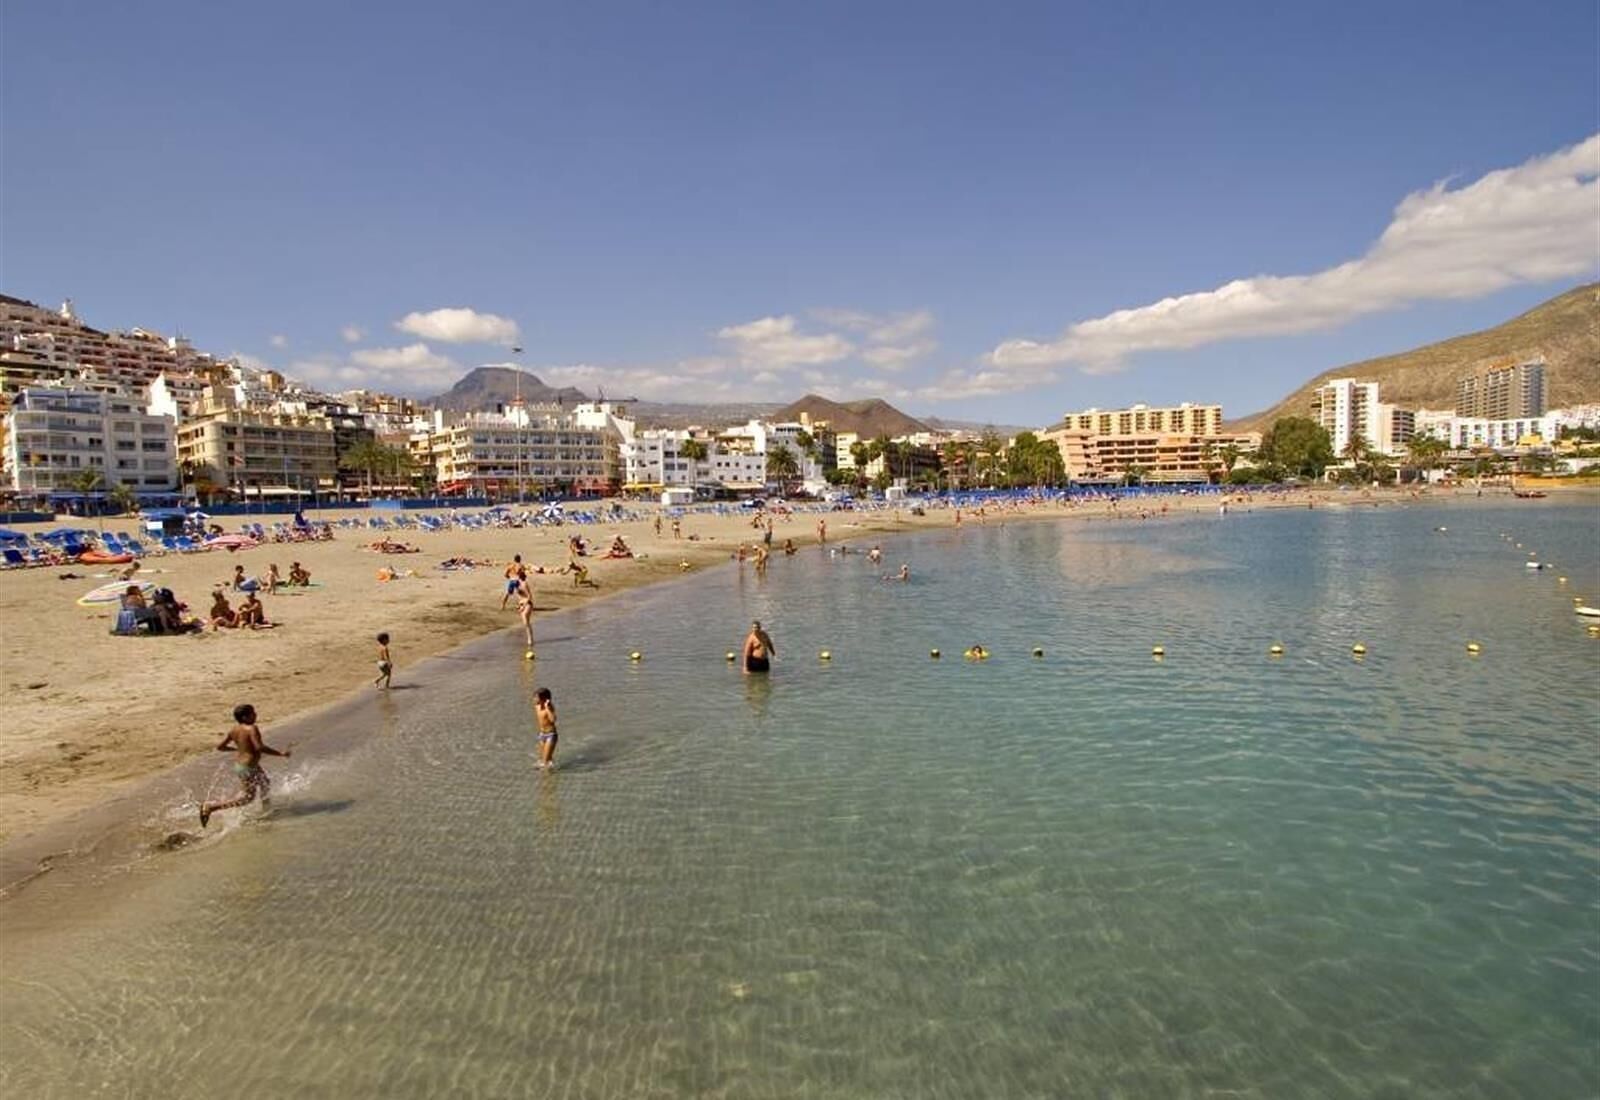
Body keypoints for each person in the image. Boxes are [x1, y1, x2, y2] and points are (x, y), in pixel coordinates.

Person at [199, 703, 290, 827]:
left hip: (243, 765)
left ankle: (267, 809)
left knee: (265, 783)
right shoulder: (252, 728)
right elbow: (259, 747)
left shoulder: (234, 730)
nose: (255, 715)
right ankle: (211, 807)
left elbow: (221, 747)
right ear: (244, 717)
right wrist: (281, 753)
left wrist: (240, 749)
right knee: (247, 798)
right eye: (252, 713)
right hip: (248, 767)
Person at [535, 687, 558, 770]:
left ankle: (546, 776)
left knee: (544, 761)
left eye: (536, 697)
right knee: (544, 759)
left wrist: (547, 708)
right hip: (542, 734)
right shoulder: (537, 706)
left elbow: (553, 719)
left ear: (543, 698)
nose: (535, 699)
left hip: (550, 735)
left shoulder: (549, 707)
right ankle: (552, 770)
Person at [516, 577, 535, 648]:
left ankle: (530, 639)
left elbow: (529, 596)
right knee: (525, 623)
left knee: (526, 621)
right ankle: (529, 638)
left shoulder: (524, 584)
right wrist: (519, 606)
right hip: (522, 604)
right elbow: (519, 597)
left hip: (528, 604)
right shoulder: (517, 584)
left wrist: (523, 606)